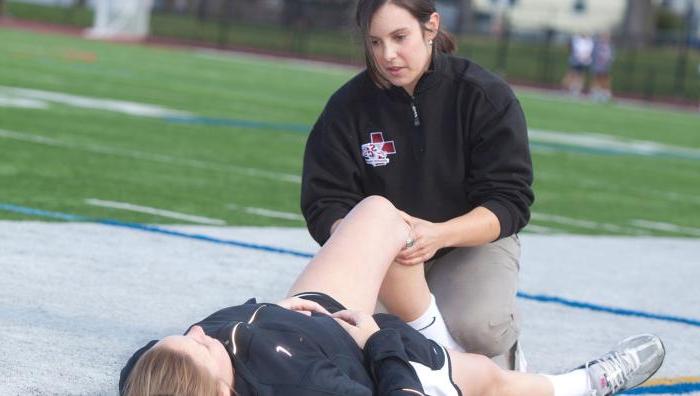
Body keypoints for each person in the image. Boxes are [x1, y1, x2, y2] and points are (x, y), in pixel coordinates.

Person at [120, 196, 666, 396]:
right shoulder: (296, 386)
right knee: (486, 376)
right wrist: (379, 340)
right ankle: (587, 384)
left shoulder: (161, 375)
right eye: (201, 348)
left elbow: (143, 370)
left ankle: (439, 330)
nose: (198, 333)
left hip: (316, 311)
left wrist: (264, 315)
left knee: (378, 213)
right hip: (379, 355)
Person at [301, 0, 533, 368]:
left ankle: (507, 355)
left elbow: (510, 200)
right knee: (347, 334)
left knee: (478, 328)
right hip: (388, 257)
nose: (387, 55)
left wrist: (438, 234)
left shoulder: (483, 96)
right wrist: (365, 241)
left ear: (431, 27)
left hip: (466, 242)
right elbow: (324, 199)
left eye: (399, 37)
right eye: (375, 42)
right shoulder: (348, 107)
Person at [590, 32, 615, 102]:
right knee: (597, 79)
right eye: (604, 37)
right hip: (598, 66)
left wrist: (609, 61)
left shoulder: (610, 46)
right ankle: (595, 94)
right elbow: (594, 55)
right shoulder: (597, 45)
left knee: (606, 80)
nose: (606, 39)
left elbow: (612, 56)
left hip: (606, 66)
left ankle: (606, 95)